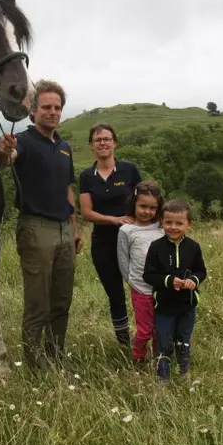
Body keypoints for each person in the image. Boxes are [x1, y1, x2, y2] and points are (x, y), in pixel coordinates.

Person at [0, 79, 83, 369]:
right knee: (38, 304)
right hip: (36, 229)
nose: (52, 112)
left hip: (64, 230)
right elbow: (4, 160)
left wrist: (75, 228)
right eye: (46, 107)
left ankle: (56, 357)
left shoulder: (65, 147)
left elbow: (68, 190)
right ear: (33, 111)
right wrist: (2, 150)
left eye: (57, 107)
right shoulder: (24, 141)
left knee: (61, 301)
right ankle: (34, 366)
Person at [78, 123, 142, 348]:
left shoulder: (129, 170)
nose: (103, 143)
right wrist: (115, 220)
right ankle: (125, 344)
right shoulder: (86, 176)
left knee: (142, 289)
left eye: (106, 139)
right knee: (115, 294)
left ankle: (148, 336)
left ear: (114, 143)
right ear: (91, 146)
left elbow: (144, 200)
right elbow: (86, 213)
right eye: (98, 140)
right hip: (103, 243)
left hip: (133, 240)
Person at [142, 199, 207, 381]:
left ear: (189, 224)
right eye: (168, 222)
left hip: (188, 305)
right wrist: (169, 281)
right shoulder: (156, 247)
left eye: (179, 223)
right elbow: (148, 275)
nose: (173, 227)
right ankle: (163, 377)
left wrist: (193, 280)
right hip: (163, 306)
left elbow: (201, 271)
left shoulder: (193, 247)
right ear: (161, 221)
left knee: (184, 340)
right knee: (164, 342)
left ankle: (183, 372)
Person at [116, 181, 165, 365]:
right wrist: (131, 281)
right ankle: (137, 359)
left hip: (162, 289)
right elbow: (123, 260)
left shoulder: (162, 227)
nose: (147, 211)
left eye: (153, 208)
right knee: (145, 330)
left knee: (160, 329)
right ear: (134, 204)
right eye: (143, 206)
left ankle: (159, 359)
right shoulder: (126, 230)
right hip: (140, 289)